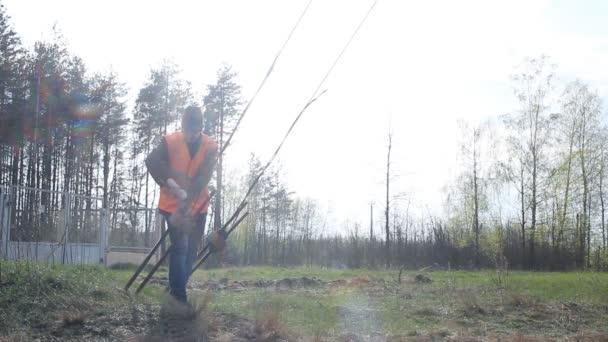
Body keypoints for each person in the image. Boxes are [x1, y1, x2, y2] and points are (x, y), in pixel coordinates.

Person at [145, 106, 217, 303]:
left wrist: (189, 195)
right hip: (172, 205)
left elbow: (204, 177)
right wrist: (173, 185)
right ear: (182, 126)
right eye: (186, 130)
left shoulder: (211, 146)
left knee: (191, 250)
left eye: (194, 131)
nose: (189, 135)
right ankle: (178, 298)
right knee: (180, 247)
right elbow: (151, 161)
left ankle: (175, 288)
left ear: (200, 128)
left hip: (199, 205)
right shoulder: (169, 141)